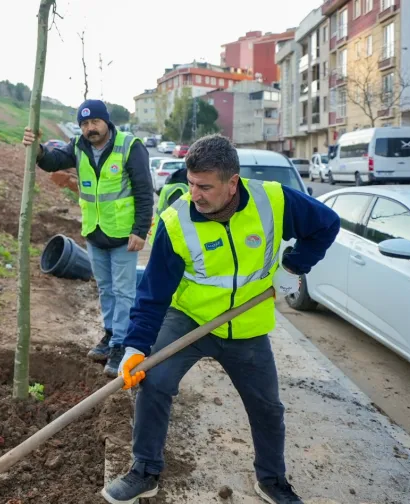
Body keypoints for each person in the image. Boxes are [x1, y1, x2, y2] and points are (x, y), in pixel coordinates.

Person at [102, 135, 340, 504]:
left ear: (233, 183)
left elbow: (327, 224)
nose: (194, 194)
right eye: (191, 183)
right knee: (154, 382)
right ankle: (144, 470)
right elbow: (153, 294)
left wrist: (293, 265)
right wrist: (135, 347)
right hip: (189, 320)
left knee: (267, 405)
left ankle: (272, 479)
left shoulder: (273, 201)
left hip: (245, 326)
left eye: (205, 186)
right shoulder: (176, 221)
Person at [22, 99, 154, 377]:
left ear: (106, 122)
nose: (90, 128)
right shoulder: (79, 146)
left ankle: (121, 344)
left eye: (94, 122)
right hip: (95, 231)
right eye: (84, 124)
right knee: (105, 289)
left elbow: (144, 191)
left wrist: (140, 231)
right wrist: (39, 150)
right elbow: (54, 161)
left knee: (124, 292)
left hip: (123, 234)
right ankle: (110, 336)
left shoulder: (130, 146)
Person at [146, 166, 188, 247]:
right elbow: (178, 216)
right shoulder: (179, 188)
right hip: (168, 237)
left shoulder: (172, 183)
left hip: (161, 234)